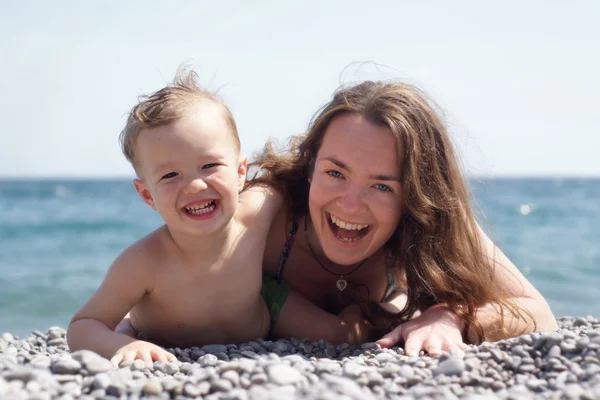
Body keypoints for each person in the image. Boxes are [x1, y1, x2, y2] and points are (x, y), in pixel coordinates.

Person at [67, 69, 373, 365]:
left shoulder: (256, 210)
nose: (196, 185)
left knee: (340, 336)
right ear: (147, 195)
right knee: (126, 327)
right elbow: (84, 325)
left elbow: (295, 178)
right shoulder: (143, 262)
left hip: (265, 304)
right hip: (160, 332)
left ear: (241, 173)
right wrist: (125, 345)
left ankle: (356, 309)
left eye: (210, 165)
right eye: (171, 175)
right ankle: (129, 326)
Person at [249, 79, 558, 356]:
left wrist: (449, 317)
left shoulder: (432, 216)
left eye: (382, 186)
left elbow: (539, 314)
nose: (351, 205)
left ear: (415, 194)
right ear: (311, 165)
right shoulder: (268, 209)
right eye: (335, 173)